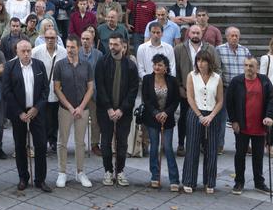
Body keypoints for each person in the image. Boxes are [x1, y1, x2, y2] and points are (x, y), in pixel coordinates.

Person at [2, 39, 51, 192]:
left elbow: (45, 90)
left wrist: (37, 108)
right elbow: (7, 92)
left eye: (28, 50)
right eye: (23, 51)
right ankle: (23, 177)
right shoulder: (10, 66)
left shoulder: (39, 65)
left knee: (41, 145)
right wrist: (19, 112)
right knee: (20, 145)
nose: (26, 54)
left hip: (36, 110)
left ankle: (40, 179)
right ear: (16, 51)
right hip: (19, 113)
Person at [227, 57, 273, 196]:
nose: (248, 68)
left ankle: (259, 183)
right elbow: (229, 102)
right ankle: (239, 182)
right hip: (242, 126)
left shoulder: (265, 81)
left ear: (257, 67)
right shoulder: (237, 81)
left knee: (258, 156)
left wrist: (269, 116)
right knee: (240, 155)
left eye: (251, 66)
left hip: (260, 126)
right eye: (246, 65)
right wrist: (234, 121)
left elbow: (271, 100)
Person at [95, 36, 138, 187]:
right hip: (104, 110)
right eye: (110, 43)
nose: (112, 47)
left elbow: (133, 91)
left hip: (123, 112)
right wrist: (108, 108)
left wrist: (121, 109)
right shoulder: (102, 62)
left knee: (122, 143)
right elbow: (99, 87)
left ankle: (120, 171)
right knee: (105, 142)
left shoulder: (131, 66)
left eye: (115, 44)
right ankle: (108, 170)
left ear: (123, 46)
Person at [53, 35, 94, 188]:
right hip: (65, 109)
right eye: (68, 47)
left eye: (73, 47)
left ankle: (80, 172)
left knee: (80, 143)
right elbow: (56, 88)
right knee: (62, 141)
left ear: (79, 48)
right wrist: (70, 107)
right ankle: (62, 172)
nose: (69, 50)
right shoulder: (60, 65)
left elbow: (90, 88)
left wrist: (81, 107)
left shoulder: (87, 65)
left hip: (83, 109)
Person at [182, 49, 224, 194]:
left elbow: (220, 101)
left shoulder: (217, 78)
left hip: (212, 114)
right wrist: (200, 115)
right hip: (195, 113)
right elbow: (190, 98)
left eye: (203, 61)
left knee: (211, 149)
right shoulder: (191, 76)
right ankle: (189, 181)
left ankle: (209, 182)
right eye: (198, 61)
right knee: (192, 148)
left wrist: (211, 116)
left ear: (209, 62)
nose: (200, 64)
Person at [172, 24, 218, 157]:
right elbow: (175, 70)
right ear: (188, 34)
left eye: (198, 33)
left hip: (205, 90)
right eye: (193, 33)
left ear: (202, 34)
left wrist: (211, 85)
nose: (195, 35)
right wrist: (179, 86)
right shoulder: (179, 48)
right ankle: (181, 144)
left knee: (204, 116)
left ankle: (203, 144)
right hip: (186, 90)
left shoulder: (210, 49)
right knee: (184, 117)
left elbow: (216, 67)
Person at [140, 54, 180, 190]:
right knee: (154, 147)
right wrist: (156, 113)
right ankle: (155, 176)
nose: (157, 67)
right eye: (155, 64)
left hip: (167, 119)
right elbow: (145, 99)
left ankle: (174, 179)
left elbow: (176, 100)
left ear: (166, 67)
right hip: (152, 119)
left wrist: (166, 113)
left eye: (160, 65)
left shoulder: (173, 80)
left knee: (168, 148)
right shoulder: (147, 79)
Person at [216, 27, 251, 153]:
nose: (234, 38)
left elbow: (250, 69)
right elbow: (217, 69)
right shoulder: (219, 50)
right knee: (221, 117)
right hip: (225, 88)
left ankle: (243, 144)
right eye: (232, 35)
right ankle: (219, 144)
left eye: (236, 35)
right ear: (227, 37)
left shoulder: (245, 50)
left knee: (242, 117)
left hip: (241, 89)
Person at [31, 27, 66, 153]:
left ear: (57, 38)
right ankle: (43, 141)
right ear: (44, 38)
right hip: (42, 90)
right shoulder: (36, 51)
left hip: (58, 90)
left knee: (55, 118)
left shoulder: (63, 52)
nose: (50, 40)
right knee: (43, 118)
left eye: (53, 38)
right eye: (48, 38)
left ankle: (53, 140)